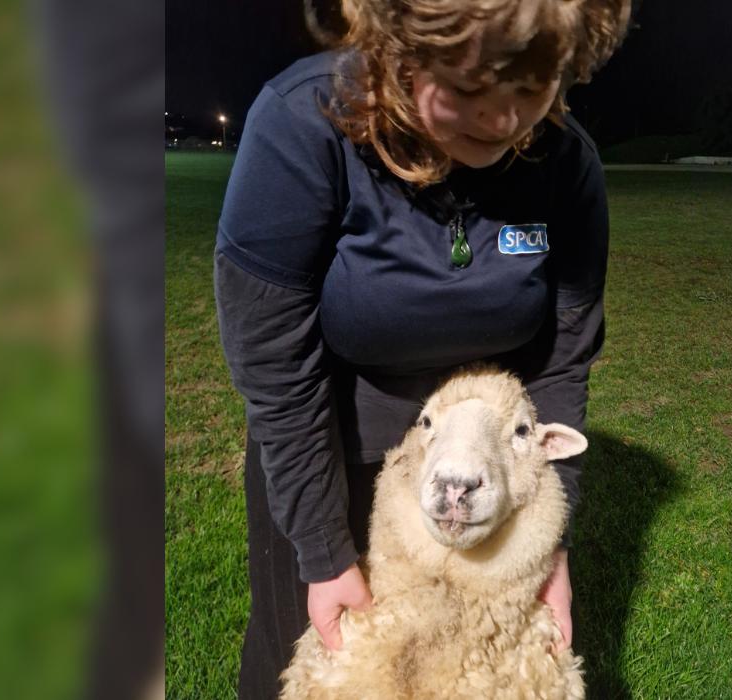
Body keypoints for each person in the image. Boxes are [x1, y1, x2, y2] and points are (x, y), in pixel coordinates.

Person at [214, 0, 631, 697]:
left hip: (491, 452)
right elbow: (276, 365)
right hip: (333, 450)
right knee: (321, 668)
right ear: (396, 48)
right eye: (467, 89)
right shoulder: (302, 125)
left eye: (531, 89)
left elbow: (564, 358)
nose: (502, 122)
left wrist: (547, 544)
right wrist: (322, 554)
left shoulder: (566, 164)